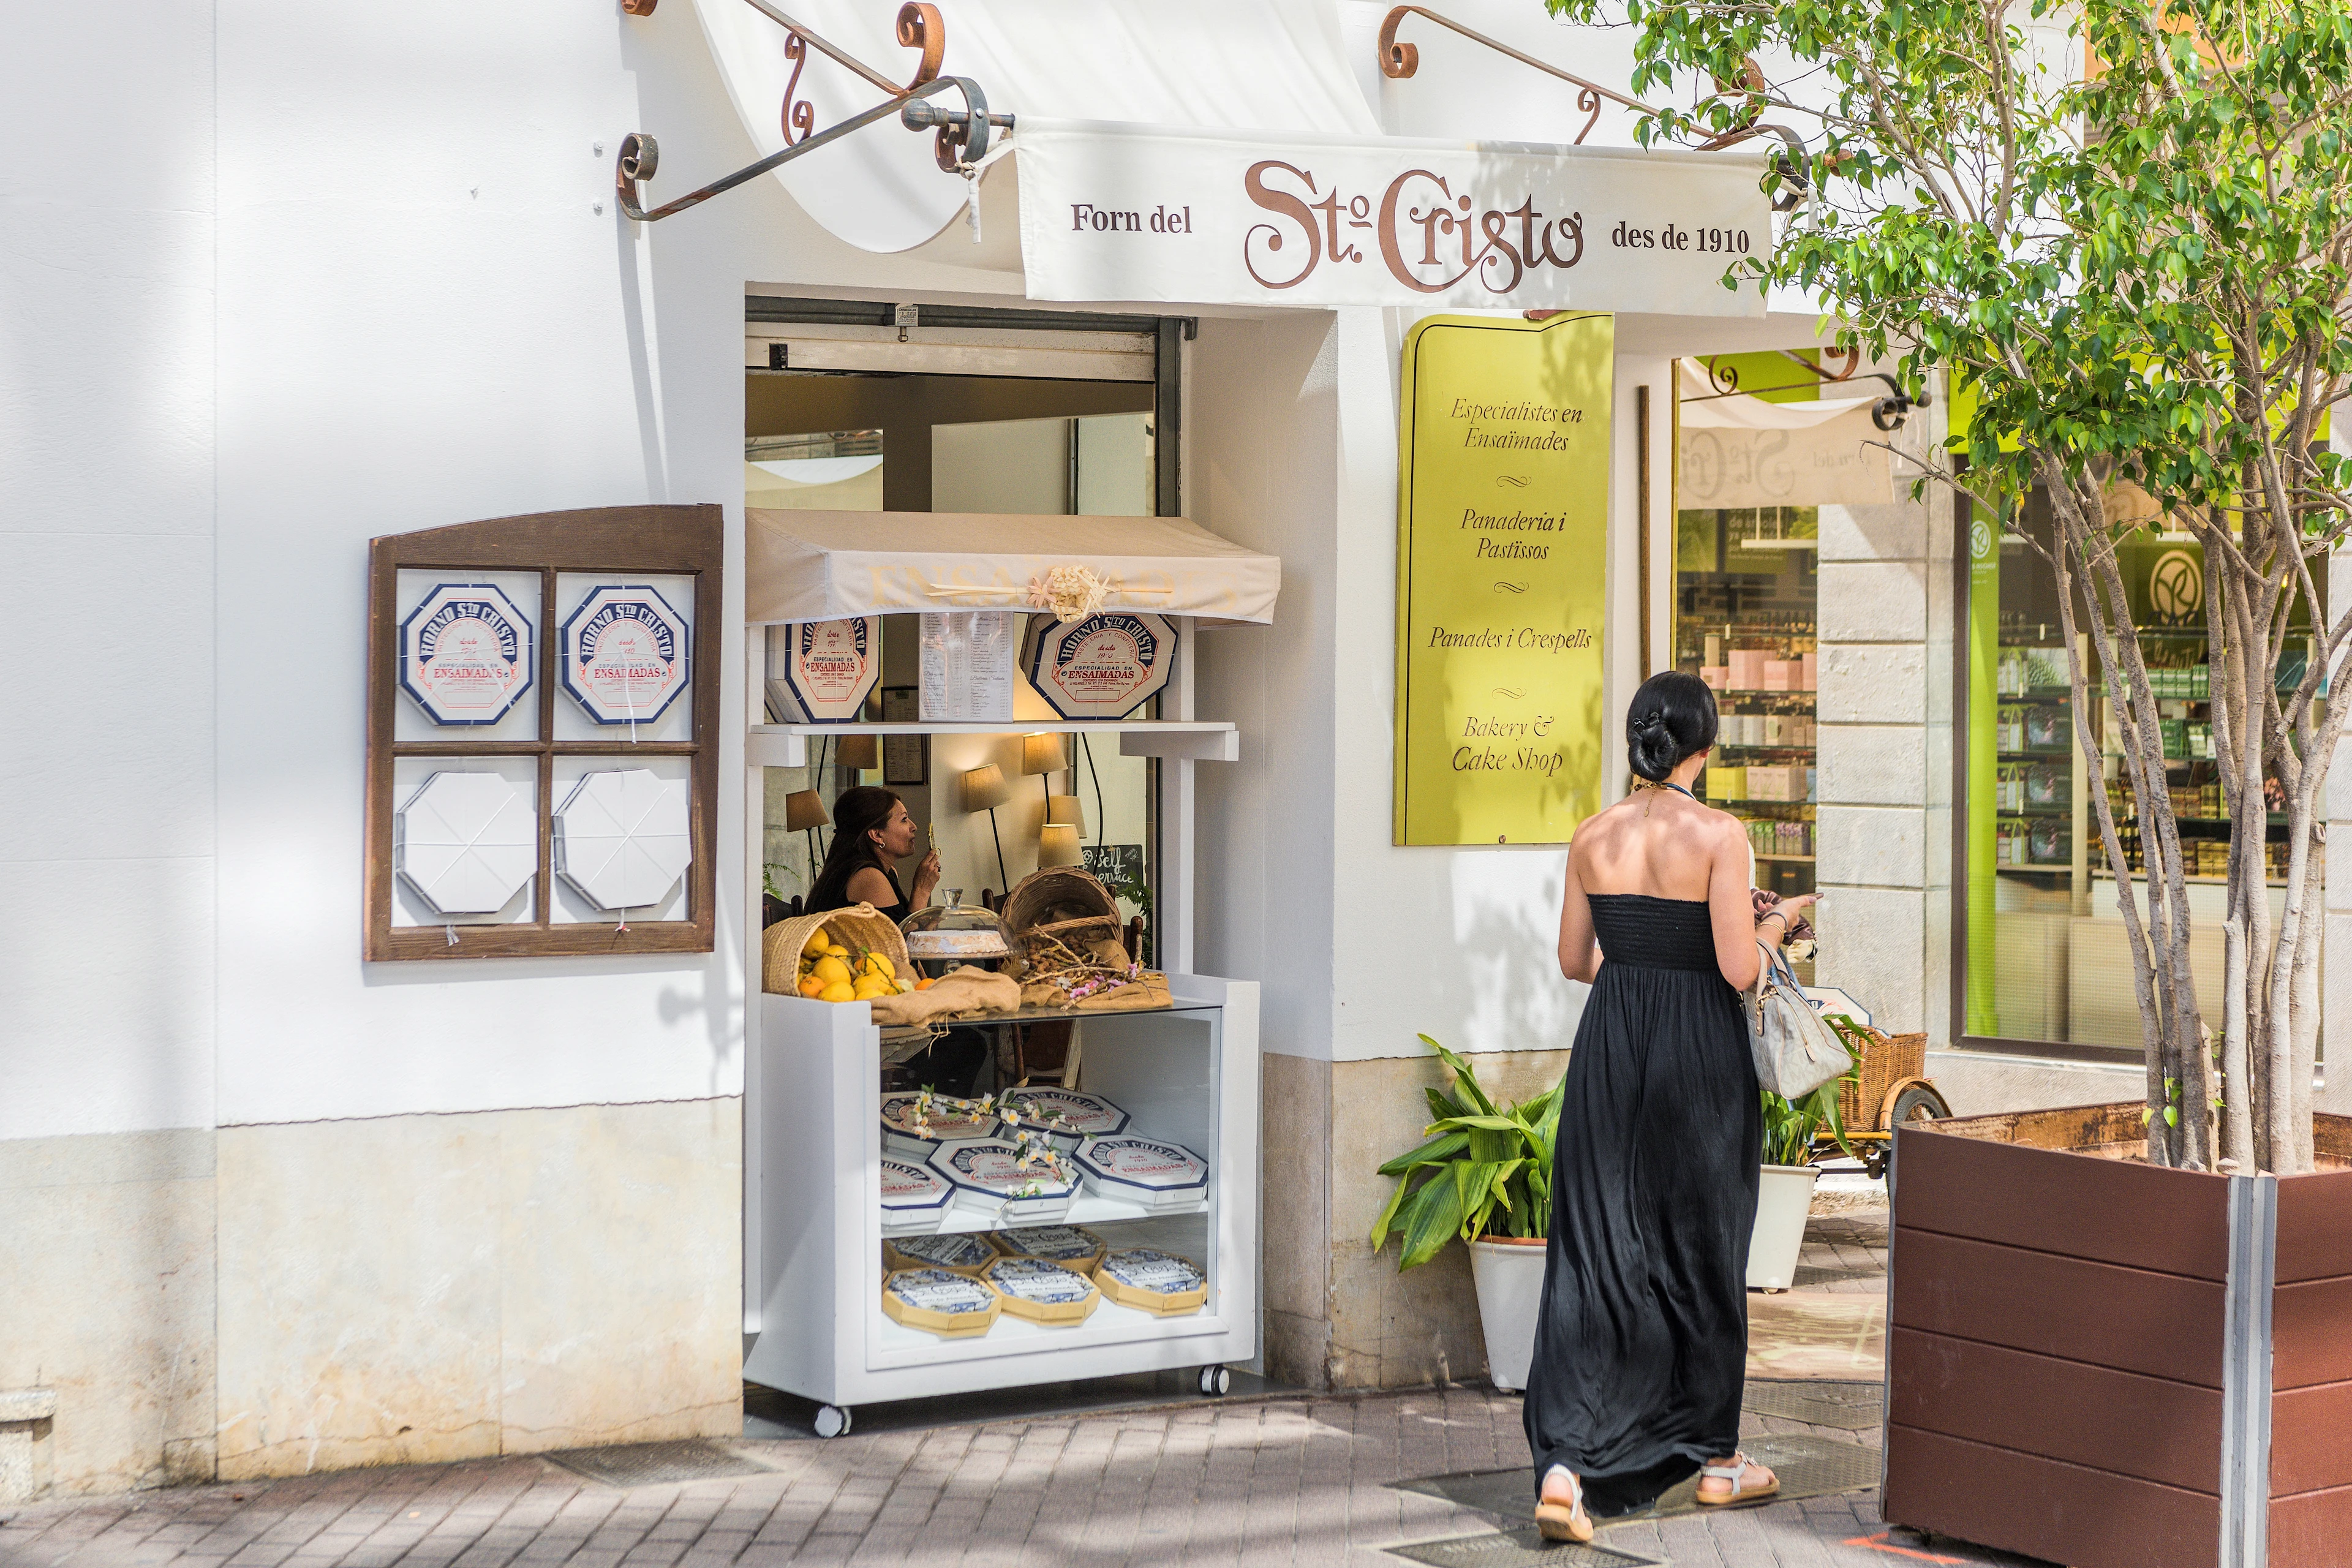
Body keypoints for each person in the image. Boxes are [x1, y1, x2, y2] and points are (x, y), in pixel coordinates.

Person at [1524, 670, 1817, 1542]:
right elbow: (1736, 969)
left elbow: (1577, 960)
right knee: (1701, 1243)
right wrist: (1777, 925)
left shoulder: (1591, 834)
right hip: (1697, 1050)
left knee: (1596, 1250)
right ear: (1706, 745)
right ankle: (1719, 1463)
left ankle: (1566, 1471)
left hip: (1612, 1039)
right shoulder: (1723, 835)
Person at [807, 786, 940, 923]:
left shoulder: (886, 872)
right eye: (904, 820)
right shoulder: (869, 876)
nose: (913, 827)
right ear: (877, 835)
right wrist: (922, 890)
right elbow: (903, 941)